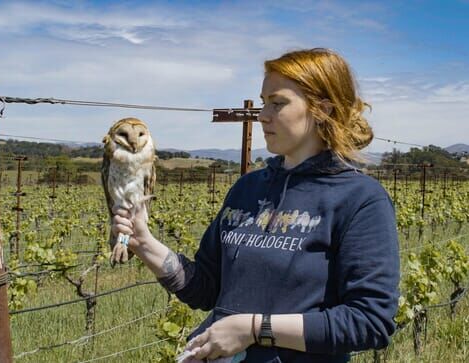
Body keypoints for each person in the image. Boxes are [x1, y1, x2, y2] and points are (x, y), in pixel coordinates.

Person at [112, 48, 400, 363]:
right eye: (263, 103)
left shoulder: (360, 199)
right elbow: (206, 289)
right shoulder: (247, 189)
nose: (263, 115)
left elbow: (370, 322)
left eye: (278, 103)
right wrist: (145, 243)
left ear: (322, 110)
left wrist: (254, 329)